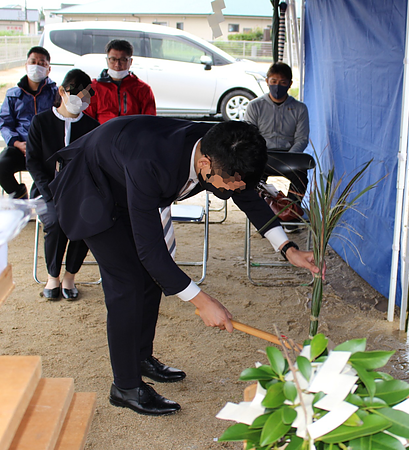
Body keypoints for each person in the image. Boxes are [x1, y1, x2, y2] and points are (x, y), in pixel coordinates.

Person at [49, 116, 321, 416]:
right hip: (89, 187)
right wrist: (203, 301)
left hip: (126, 185)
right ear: (205, 163)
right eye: (229, 184)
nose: (232, 190)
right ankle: (125, 386)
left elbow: (245, 192)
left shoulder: (225, 146)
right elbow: (151, 252)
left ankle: (140, 357)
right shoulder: (151, 162)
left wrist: (288, 248)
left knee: (150, 278)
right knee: (126, 282)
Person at [26, 69, 99, 301]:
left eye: (86, 94)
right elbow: (33, 161)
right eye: (75, 92)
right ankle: (52, 277)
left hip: (79, 192)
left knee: (87, 220)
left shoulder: (91, 126)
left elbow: (94, 164)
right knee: (56, 223)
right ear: (61, 91)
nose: (81, 98)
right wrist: (49, 192)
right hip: (46, 190)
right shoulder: (41, 122)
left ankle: (70, 275)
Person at [245, 62, 310, 209]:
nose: (277, 86)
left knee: (301, 176)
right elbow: (249, 137)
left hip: (289, 156)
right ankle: (262, 214)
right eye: (273, 81)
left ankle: (290, 212)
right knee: (251, 177)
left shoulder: (300, 108)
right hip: (262, 156)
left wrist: (289, 158)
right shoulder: (255, 106)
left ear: (290, 84)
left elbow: (302, 139)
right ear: (267, 81)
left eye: (282, 82)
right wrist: (259, 154)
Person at [0, 46, 57, 198]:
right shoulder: (13, 95)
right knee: (1, 166)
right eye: (33, 62)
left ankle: (41, 204)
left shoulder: (56, 93)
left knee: (47, 175)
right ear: (26, 65)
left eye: (42, 63)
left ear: (48, 69)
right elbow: (5, 123)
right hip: (20, 148)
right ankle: (20, 196)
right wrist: (16, 143)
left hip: (46, 150)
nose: (36, 66)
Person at [84, 39, 156, 124]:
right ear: (107, 60)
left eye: (122, 60)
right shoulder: (93, 87)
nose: (117, 64)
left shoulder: (143, 89)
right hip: (104, 135)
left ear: (130, 61)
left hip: (132, 135)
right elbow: (87, 120)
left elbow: (149, 121)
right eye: (113, 59)